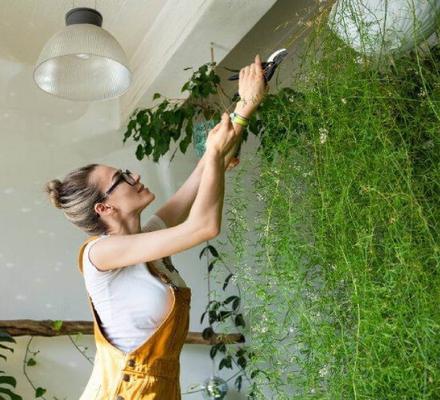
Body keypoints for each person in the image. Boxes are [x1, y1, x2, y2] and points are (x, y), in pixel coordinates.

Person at [45, 54, 267, 399]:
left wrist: (245, 106)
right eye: (121, 177)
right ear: (104, 208)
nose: (134, 176)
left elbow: (204, 172)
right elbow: (204, 226)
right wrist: (214, 156)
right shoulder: (99, 254)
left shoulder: (145, 240)